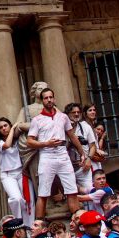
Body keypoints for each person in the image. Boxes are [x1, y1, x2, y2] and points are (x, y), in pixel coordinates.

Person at [26, 86, 83, 217]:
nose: (49, 100)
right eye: (46, 98)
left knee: (72, 191)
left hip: (63, 154)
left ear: (54, 98)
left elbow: (72, 136)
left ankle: (77, 220)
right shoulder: (37, 120)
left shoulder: (63, 117)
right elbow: (30, 141)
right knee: (43, 193)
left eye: (51, 97)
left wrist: (82, 152)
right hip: (47, 155)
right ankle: (39, 223)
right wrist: (46, 143)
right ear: (42, 101)